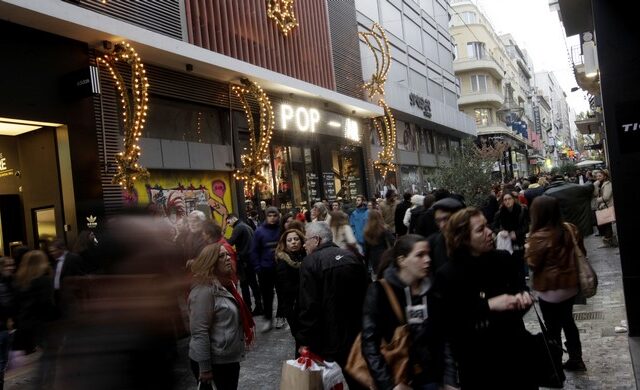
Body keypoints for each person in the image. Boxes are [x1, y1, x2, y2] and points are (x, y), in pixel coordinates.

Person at [433, 208, 535, 389]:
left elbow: (521, 290)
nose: (490, 233)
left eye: (487, 226)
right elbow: (450, 323)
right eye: (480, 230)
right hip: (478, 365)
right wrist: (489, 305)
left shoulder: (503, 259)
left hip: (516, 357)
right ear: (462, 237)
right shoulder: (448, 275)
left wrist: (523, 298)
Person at [362, 235, 445, 390]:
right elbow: (369, 343)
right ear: (402, 260)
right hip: (396, 378)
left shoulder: (433, 291)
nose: (427, 260)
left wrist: (449, 379)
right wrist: (389, 385)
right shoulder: (380, 291)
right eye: (420, 255)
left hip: (430, 376)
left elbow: (443, 336)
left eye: (428, 254)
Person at [297, 222, 369, 381]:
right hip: (357, 333)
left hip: (328, 337)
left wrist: (305, 340)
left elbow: (309, 306)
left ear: (316, 240)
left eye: (306, 240)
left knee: (329, 381)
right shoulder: (352, 256)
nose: (304, 244)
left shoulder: (310, 262)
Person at [525, 196, 586, 372]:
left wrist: (528, 248)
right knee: (568, 321)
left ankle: (555, 363)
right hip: (570, 286)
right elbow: (581, 251)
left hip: (549, 289)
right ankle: (576, 358)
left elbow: (533, 264)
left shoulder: (538, 237)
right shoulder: (570, 228)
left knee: (552, 328)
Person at [188, 243, 254, 390]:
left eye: (228, 255)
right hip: (213, 362)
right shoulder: (204, 291)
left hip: (228, 359)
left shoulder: (227, 284)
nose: (227, 259)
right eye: (221, 256)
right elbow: (199, 332)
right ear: (211, 262)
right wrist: (205, 368)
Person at [13, 250, 55, 354]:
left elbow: (15, 305)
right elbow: (46, 304)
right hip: (42, 325)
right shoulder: (45, 280)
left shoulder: (18, 281)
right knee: (47, 358)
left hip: (24, 324)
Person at [250, 207, 281, 332]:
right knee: (267, 296)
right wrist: (258, 267)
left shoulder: (281, 229)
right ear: (266, 216)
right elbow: (254, 251)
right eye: (270, 215)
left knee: (282, 294)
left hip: (280, 268)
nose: (272, 218)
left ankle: (281, 316)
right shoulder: (259, 231)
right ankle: (268, 318)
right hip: (265, 269)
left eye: (275, 215)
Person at [227, 214, 262, 315]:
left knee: (245, 285)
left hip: (245, 261)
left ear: (233, 219)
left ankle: (249, 308)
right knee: (254, 284)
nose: (229, 225)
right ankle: (259, 306)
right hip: (251, 259)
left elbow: (230, 242)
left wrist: (222, 238)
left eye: (229, 222)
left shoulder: (238, 228)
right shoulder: (246, 226)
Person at [275, 229, 306, 345]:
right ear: (285, 243)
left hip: (306, 306)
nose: (293, 242)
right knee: (301, 341)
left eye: (296, 239)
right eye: (289, 240)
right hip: (294, 307)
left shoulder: (305, 256)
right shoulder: (283, 262)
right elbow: (285, 290)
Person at [492, 192, 529, 279]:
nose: (507, 201)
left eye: (509, 199)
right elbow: (494, 227)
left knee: (520, 263)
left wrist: (516, 233)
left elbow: (526, 227)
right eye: (505, 200)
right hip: (506, 242)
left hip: (519, 241)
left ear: (513, 199)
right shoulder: (500, 213)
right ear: (503, 202)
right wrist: (501, 231)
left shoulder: (521, 210)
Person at [426, 197, 465, 273]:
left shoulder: (475, 240)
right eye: (438, 221)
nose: (442, 225)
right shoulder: (432, 243)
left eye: (446, 219)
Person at [47, 239, 85, 307]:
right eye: (50, 251)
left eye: (54, 251)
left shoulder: (73, 258)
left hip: (70, 295)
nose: (52, 253)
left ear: (62, 249)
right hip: (57, 294)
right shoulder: (55, 261)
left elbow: (80, 275)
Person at [363, 210, 395, 276]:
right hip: (385, 255)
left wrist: (365, 264)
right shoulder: (384, 229)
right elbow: (392, 241)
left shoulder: (367, 231)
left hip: (374, 257)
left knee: (378, 276)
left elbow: (366, 250)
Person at [0, 257, 16, 389]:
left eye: (12, 265)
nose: (11, 268)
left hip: (5, 327)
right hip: (2, 328)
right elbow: (6, 304)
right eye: (7, 266)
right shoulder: (3, 283)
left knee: (3, 361)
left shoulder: (9, 281)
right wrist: (9, 320)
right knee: (2, 361)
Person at [593, 169, 617, 247]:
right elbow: (595, 194)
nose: (598, 178)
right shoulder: (599, 184)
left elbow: (606, 197)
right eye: (597, 176)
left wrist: (597, 200)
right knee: (606, 225)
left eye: (600, 176)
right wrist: (595, 186)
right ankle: (611, 241)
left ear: (605, 176)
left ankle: (609, 242)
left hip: (607, 206)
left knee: (607, 225)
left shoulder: (607, 184)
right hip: (602, 206)